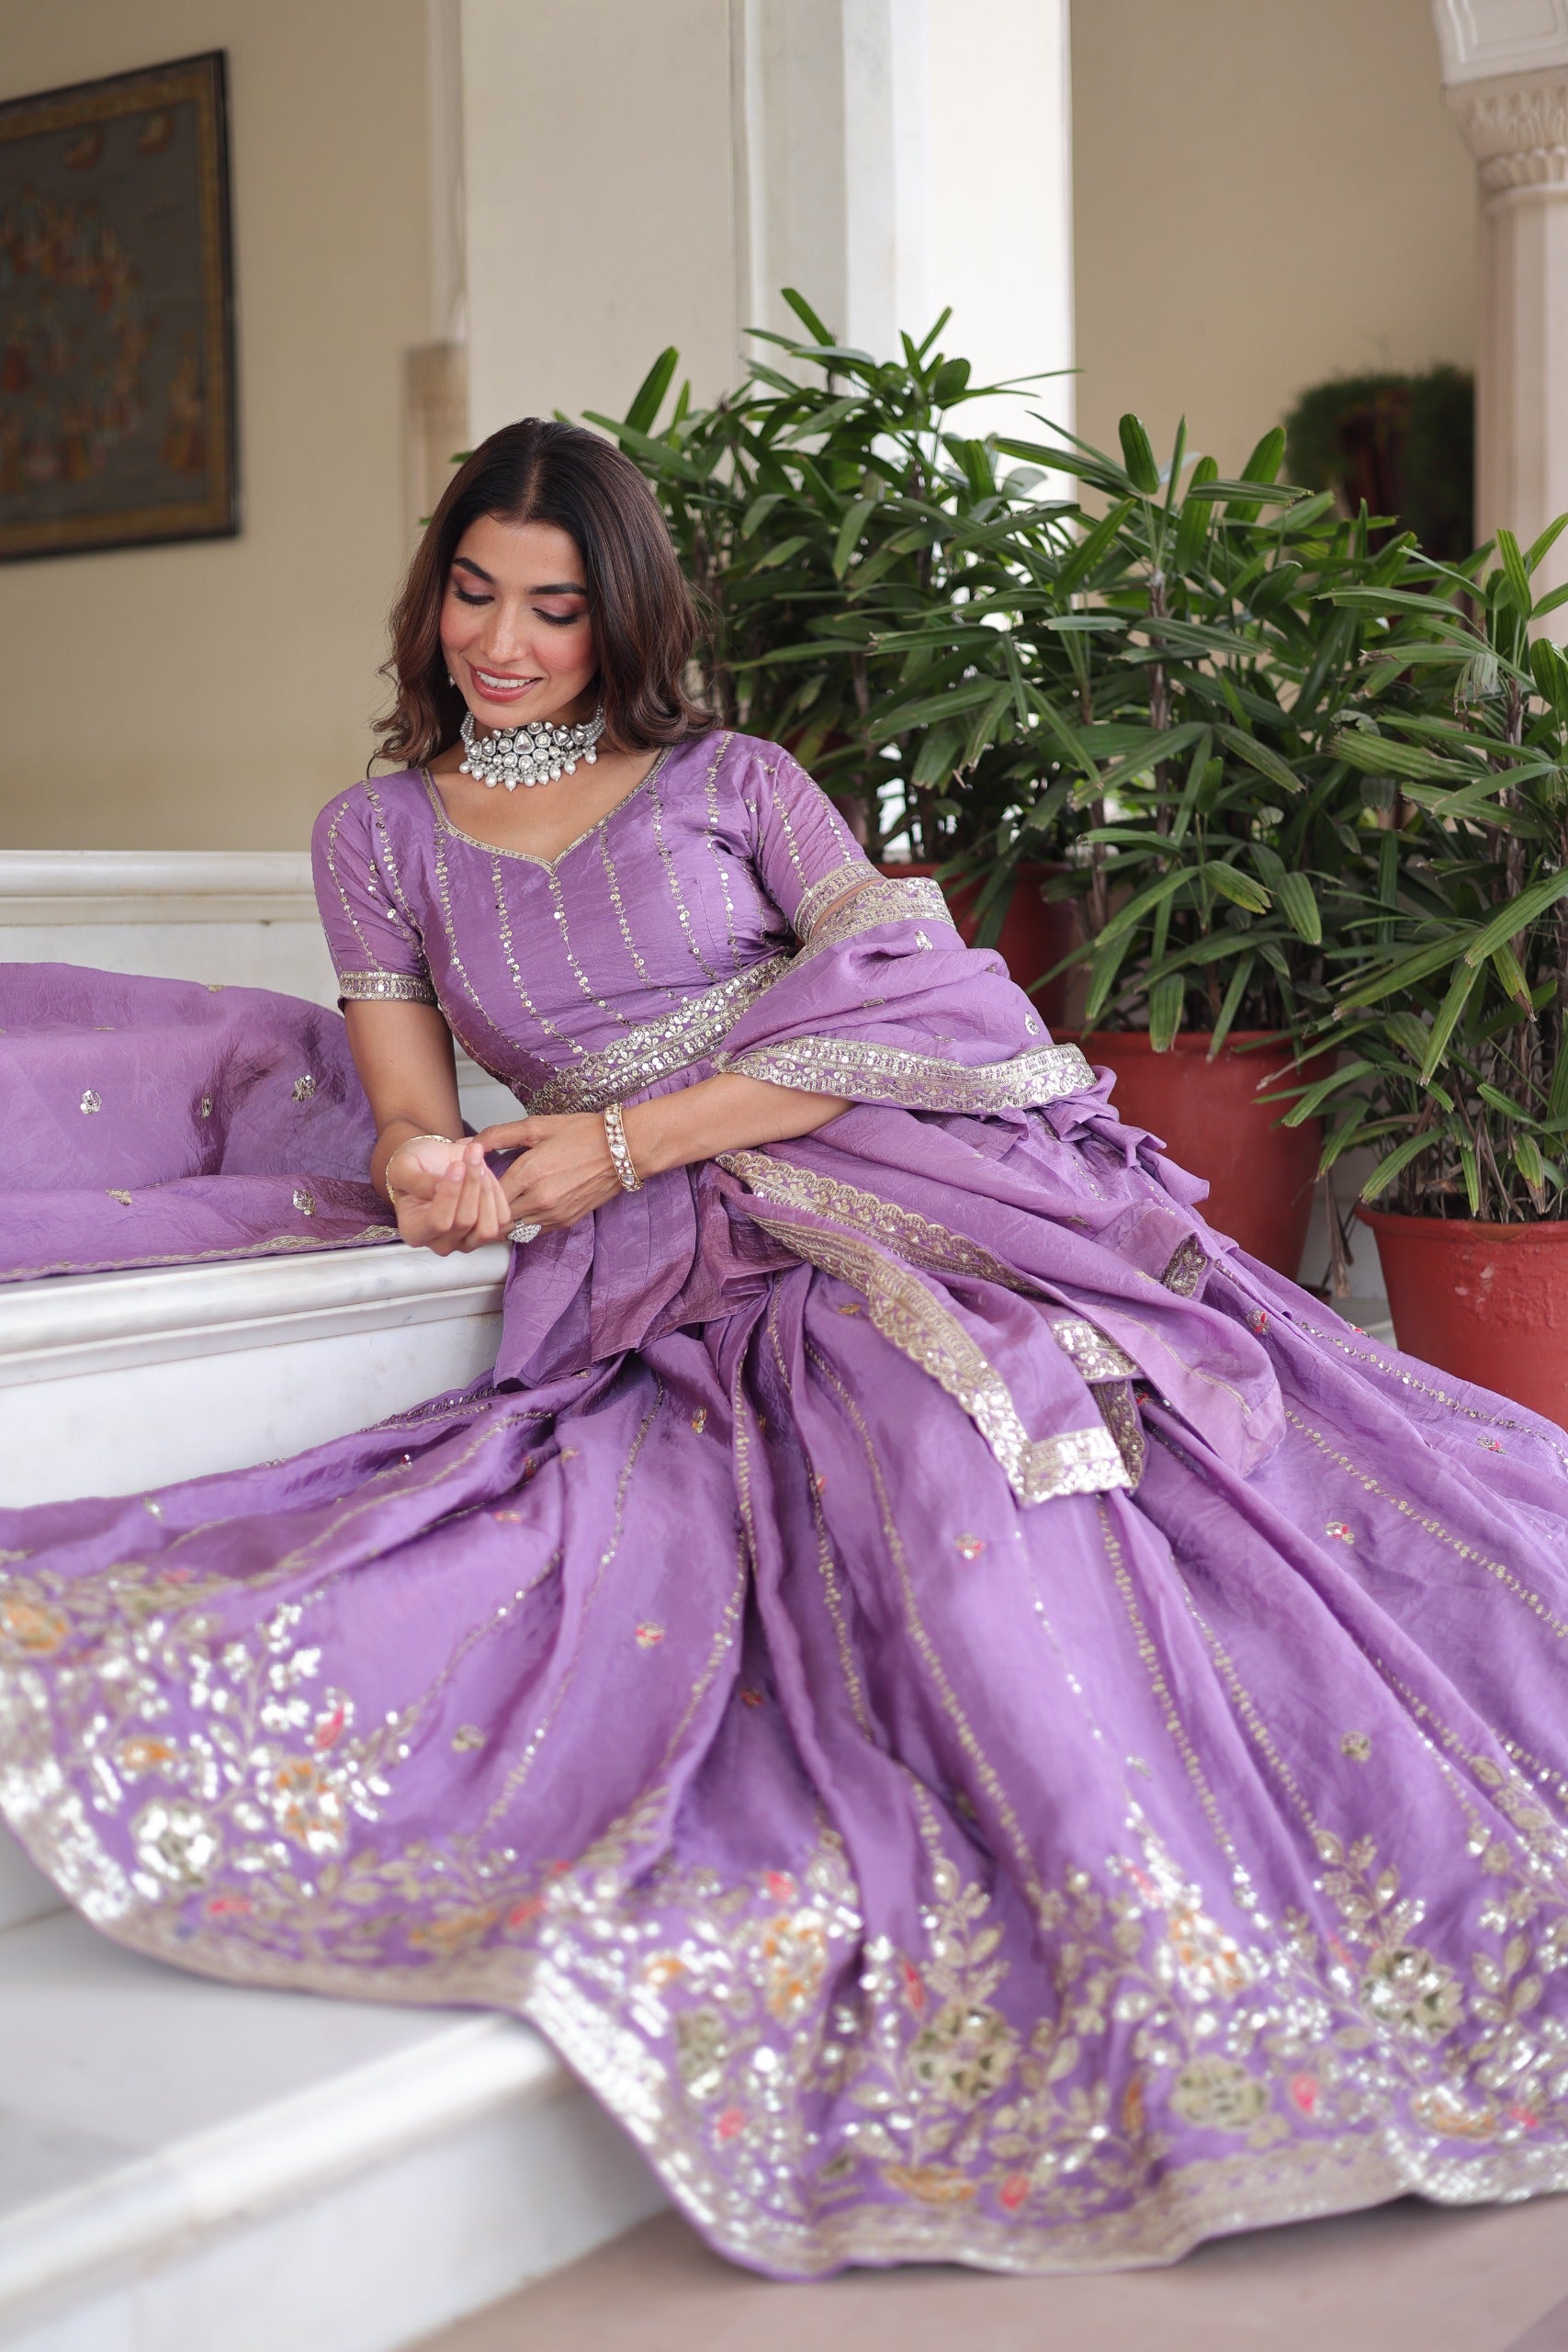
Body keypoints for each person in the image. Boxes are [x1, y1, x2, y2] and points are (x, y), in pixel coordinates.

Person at [4, 419, 1568, 2282]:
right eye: (473, 594)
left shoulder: (733, 779)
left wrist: (631, 1137)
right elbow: (410, 1101)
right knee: (879, 1449)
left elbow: (929, 993)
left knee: (1040, 1415)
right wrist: (428, 1165)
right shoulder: (381, 836)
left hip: (889, 1161)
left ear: (621, 617)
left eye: (552, 608)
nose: (500, 642)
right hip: (670, 1246)